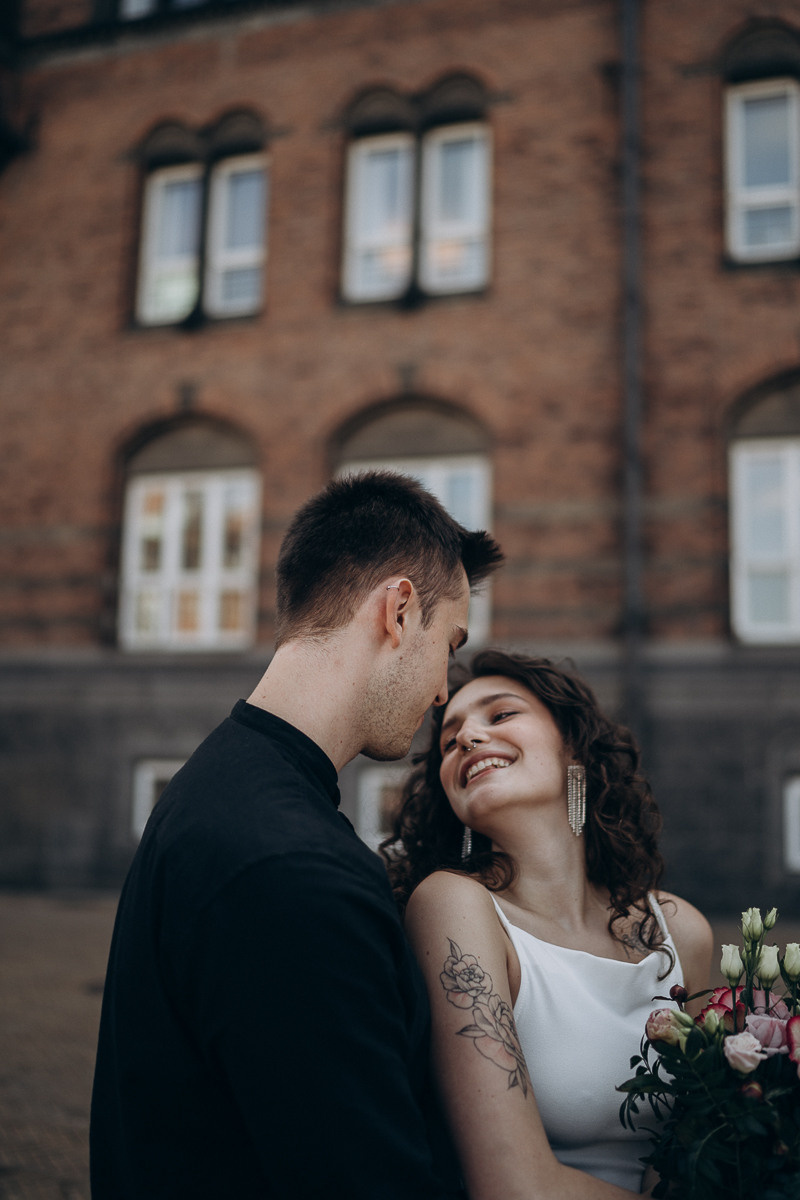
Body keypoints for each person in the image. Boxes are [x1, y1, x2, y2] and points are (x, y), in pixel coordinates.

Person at [90, 470, 503, 1200]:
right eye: (451, 642)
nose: (445, 689)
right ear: (399, 612)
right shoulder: (293, 869)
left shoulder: (221, 781)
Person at [381, 649, 713, 1199]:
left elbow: (702, 1156)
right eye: (449, 740)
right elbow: (513, 1188)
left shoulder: (681, 931)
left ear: (573, 747)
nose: (466, 738)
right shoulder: (454, 906)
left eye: (501, 714)